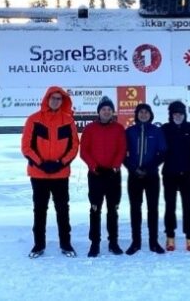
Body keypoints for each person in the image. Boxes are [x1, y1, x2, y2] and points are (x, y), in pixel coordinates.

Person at [21, 86, 80, 258]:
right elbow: (26, 147)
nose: (56, 101)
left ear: (63, 101)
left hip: (60, 174)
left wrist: (59, 164)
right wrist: (41, 164)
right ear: (47, 99)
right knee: (40, 210)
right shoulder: (34, 119)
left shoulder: (68, 120)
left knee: (63, 210)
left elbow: (74, 146)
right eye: (53, 98)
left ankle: (66, 244)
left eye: (59, 98)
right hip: (38, 174)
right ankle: (38, 245)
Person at [78, 96, 127, 258]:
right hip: (96, 174)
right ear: (99, 111)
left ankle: (113, 242)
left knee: (112, 210)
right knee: (95, 209)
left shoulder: (119, 128)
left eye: (109, 109)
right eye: (103, 109)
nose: (106, 112)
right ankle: (95, 243)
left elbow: (122, 149)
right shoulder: (90, 129)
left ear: (112, 112)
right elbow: (84, 151)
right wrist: (93, 166)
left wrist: (115, 166)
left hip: (113, 174)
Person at [123, 103, 167, 255]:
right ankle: (136, 242)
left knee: (152, 209)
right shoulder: (129, 131)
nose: (143, 115)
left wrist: (149, 168)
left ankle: (153, 242)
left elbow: (162, 152)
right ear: (136, 115)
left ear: (150, 115)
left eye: (146, 112)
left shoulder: (156, 131)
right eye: (140, 112)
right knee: (135, 209)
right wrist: (133, 168)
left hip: (152, 176)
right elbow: (123, 153)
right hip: (134, 176)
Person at [160, 100, 190, 252]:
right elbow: (156, 148)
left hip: (187, 173)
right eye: (175, 113)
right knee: (170, 207)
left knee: (188, 207)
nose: (178, 116)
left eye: (181, 113)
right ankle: (170, 236)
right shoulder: (165, 129)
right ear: (171, 115)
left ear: (184, 114)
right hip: (169, 173)